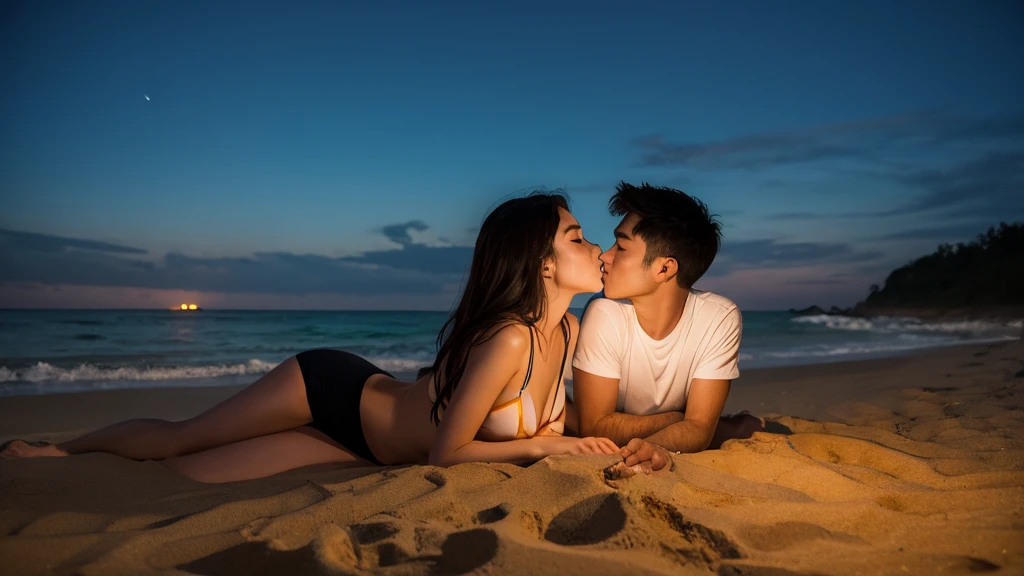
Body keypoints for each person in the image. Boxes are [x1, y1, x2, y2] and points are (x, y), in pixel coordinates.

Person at [0, 193, 621, 482]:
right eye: (578, 236)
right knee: (180, 442)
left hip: (365, 452)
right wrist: (545, 449)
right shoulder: (509, 339)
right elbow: (446, 455)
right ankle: (58, 453)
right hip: (334, 393)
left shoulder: (565, 330)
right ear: (541, 264)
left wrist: (566, 446)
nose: (594, 248)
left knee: (196, 477)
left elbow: (531, 433)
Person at [573, 182, 763, 474]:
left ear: (664, 268)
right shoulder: (606, 313)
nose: (605, 256)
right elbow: (594, 426)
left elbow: (699, 428)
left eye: (621, 247)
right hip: (565, 416)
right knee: (731, 429)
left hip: (644, 429)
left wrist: (663, 443)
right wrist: (680, 420)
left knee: (733, 430)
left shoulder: (719, 316)